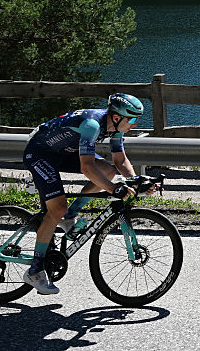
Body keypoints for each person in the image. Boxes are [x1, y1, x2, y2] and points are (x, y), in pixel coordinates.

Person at [21, 93, 146, 294]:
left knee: (108, 170)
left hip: (63, 152)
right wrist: (114, 189)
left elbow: (120, 160)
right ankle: (35, 272)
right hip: (40, 153)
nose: (135, 124)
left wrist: (136, 181)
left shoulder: (115, 128)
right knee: (57, 207)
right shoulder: (92, 125)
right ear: (116, 117)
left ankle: (69, 216)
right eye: (131, 119)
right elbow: (86, 168)